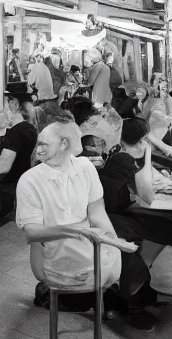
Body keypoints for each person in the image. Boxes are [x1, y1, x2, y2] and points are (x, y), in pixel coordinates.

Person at [15, 118, 145, 328]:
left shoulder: (85, 167)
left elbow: (97, 212)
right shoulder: (29, 181)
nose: (39, 148)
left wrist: (112, 242)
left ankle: (123, 300)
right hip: (54, 255)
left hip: (90, 248)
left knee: (124, 249)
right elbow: (32, 233)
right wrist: (77, 231)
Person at [98, 117, 172, 329]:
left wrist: (159, 174)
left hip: (118, 213)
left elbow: (148, 183)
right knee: (139, 245)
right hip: (110, 219)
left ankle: (141, 282)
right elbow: (147, 195)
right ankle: (134, 302)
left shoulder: (122, 156)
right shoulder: (123, 159)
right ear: (142, 141)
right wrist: (148, 157)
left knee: (170, 226)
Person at [0, 89, 39, 186]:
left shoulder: (17, 132)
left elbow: (3, 167)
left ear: (13, 103)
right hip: (23, 184)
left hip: (11, 188)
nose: (2, 110)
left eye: (4, 105)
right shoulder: (29, 128)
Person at [142, 74, 172, 145]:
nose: (162, 83)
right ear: (151, 84)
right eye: (159, 80)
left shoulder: (169, 101)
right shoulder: (147, 98)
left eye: (163, 80)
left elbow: (171, 122)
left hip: (162, 137)